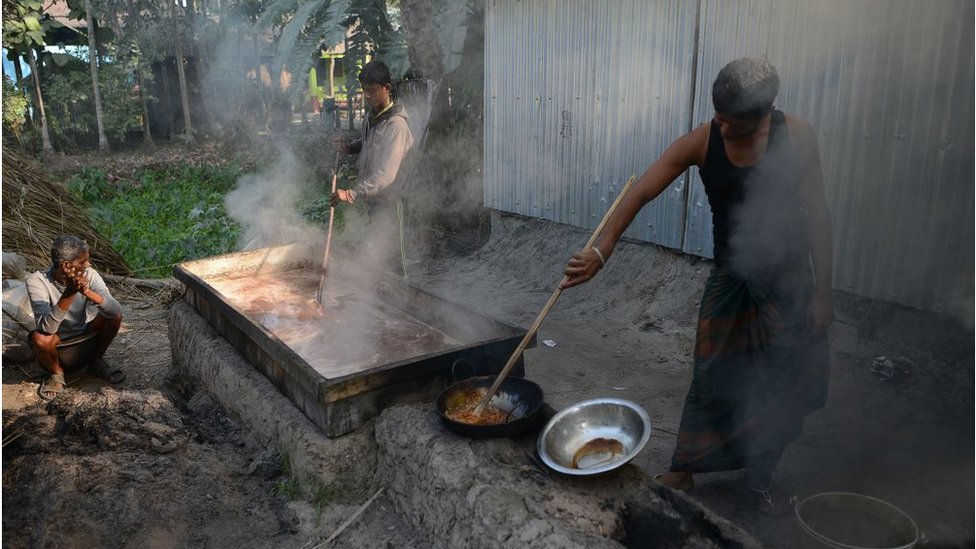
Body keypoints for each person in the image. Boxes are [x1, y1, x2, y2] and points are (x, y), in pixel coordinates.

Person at [562, 58, 832, 512]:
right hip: (731, 275)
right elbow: (641, 191)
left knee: (781, 376)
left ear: (763, 114)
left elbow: (818, 215)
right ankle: (684, 469)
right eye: (718, 119)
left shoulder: (797, 137)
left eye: (734, 124)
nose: (722, 130)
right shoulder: (702, 142)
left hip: (787, 280)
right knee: (710, 373)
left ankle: (761, 476)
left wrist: (823, 292)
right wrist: (601, 252)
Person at [331, 59, 416, 277]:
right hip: (374, 198)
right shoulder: (373, 117)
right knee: (380, 251)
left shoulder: (396, 125)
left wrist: (352, 193)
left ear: (386, 88)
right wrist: (350, 147)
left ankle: (401, 301)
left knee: (394, 256)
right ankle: (382, 298)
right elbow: (368, 141)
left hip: (390, 200)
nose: (366, 96)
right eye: (364, 90)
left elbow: (386, 174)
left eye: (371, 91)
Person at [26, 235, 124, 401]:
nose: (88, 265)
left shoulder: (89, 275)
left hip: (84, 340)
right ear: (66, 266)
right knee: (39, 338)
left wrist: (86, 291)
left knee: (112, 317)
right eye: (83, 262)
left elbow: (115, 311)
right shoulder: (37, 281)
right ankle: (57, 374)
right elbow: (47, 329)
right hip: (57, 348)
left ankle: (96, 362)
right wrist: (70, 292)